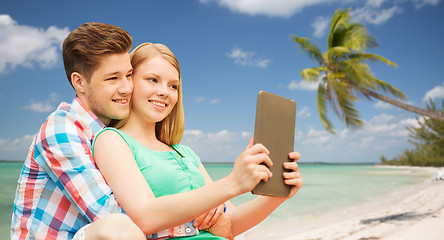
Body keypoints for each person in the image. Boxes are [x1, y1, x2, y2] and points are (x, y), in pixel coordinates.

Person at [92, 42, 304, 239]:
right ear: (129, 82)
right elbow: (146, 217)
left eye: (173, 86)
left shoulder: (185, 153)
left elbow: (230, 227)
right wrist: (232, 183)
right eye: (152, 80)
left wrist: (278, 196)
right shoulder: (112, 140)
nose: (164, 92)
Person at [11, 22, 144, 240]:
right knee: (116, 227)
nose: (127, 88)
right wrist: (195, 220)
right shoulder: (61, 130)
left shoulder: (116, 130)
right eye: (113, 78)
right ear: (79, 82)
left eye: (128, 75)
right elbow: (111, 213)